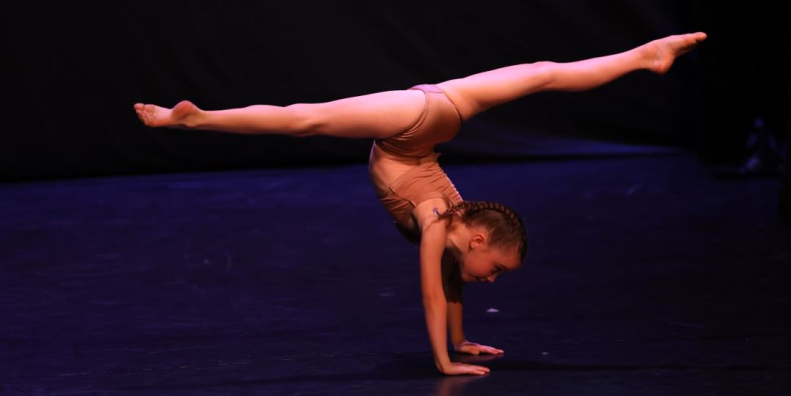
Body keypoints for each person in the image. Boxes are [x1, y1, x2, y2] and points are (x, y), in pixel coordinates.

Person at [134, 32, 707, 376]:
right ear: (479, 239)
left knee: (540, 74)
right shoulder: (438, 222)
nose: (493, 279)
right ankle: (197, 118)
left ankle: (643, 54)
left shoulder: (452, 229)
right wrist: (444, 362)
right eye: (499, 269)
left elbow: (450, 284)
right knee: (304, 119)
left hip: (432, 120)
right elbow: (433, 293)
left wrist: (460, 341)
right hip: (412, 125)